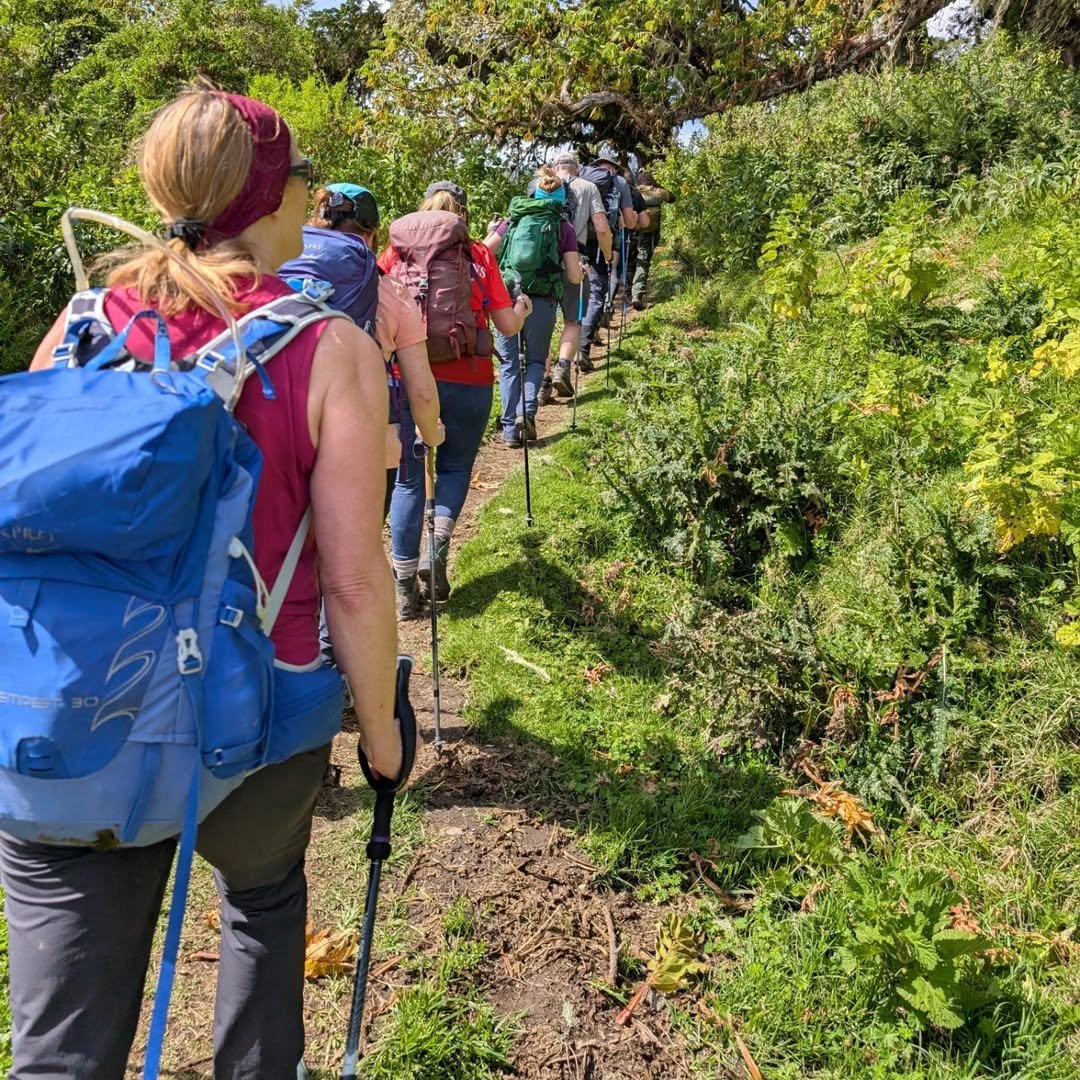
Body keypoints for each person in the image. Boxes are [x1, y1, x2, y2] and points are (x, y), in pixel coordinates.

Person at [4, 89, 402, 1079]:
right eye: (302, 182)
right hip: (256, 714)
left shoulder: (83, 323)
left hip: (71, 714)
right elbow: (355, 582)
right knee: (263, 905)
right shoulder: (328, 348)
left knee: (62, 1040)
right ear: (273, 199)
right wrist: (387, 736)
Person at [381, 180, 530, 613]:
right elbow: (506, 325)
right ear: (461, 213)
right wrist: (522, 309)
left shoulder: (396, 253)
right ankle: (438, 545)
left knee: (410, 474)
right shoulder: (478, 254)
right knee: (455, 466)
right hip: (468, 377)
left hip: (408, 376)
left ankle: (404, 586)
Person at [280, 183, 444, 513]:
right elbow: (422, 390)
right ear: (371, 233)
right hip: (362, 434)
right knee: (357, 547)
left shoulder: (282, 264)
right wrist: (431, 434)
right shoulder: (391, 289)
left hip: (287, 427)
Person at [484, 169, 582, 447]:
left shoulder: (512, 220)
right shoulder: (564, 227)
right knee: (536, 361)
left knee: (508, 363)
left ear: (533, 194)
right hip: (543, 300)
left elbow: (482, 252)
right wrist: (582, 272)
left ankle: (509, 431)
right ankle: (525, 413)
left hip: (508, 298)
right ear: (563, 200)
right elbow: (574, 276)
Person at [546, 151, 614, 401]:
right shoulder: (589, 187)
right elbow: (601, 227)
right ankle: (563, 367)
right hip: (576, 260)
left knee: (545, 324)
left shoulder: (540, 185)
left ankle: (542, 383)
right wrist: (607, 255)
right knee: (572, 320)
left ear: (555, 169)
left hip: (543, 263)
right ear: (577, 169)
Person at [578, 148, 636, 373]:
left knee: (575, 292)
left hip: (576, 241)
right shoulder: (619, 182)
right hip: (603, 243)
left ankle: (567, 344)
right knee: (597, 293)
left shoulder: (581, 176)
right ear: (614, 167)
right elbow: (631, 221)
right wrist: (623, 220)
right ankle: (582, 347)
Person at [630, 168, 675, 310]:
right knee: (642, 262)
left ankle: (626, 292)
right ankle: (636, 294)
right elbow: (672, 198)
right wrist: (657, 185)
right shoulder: (657, 192)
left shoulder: (632, 192)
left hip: (632, 232)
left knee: (630, 262)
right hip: (650, 234)